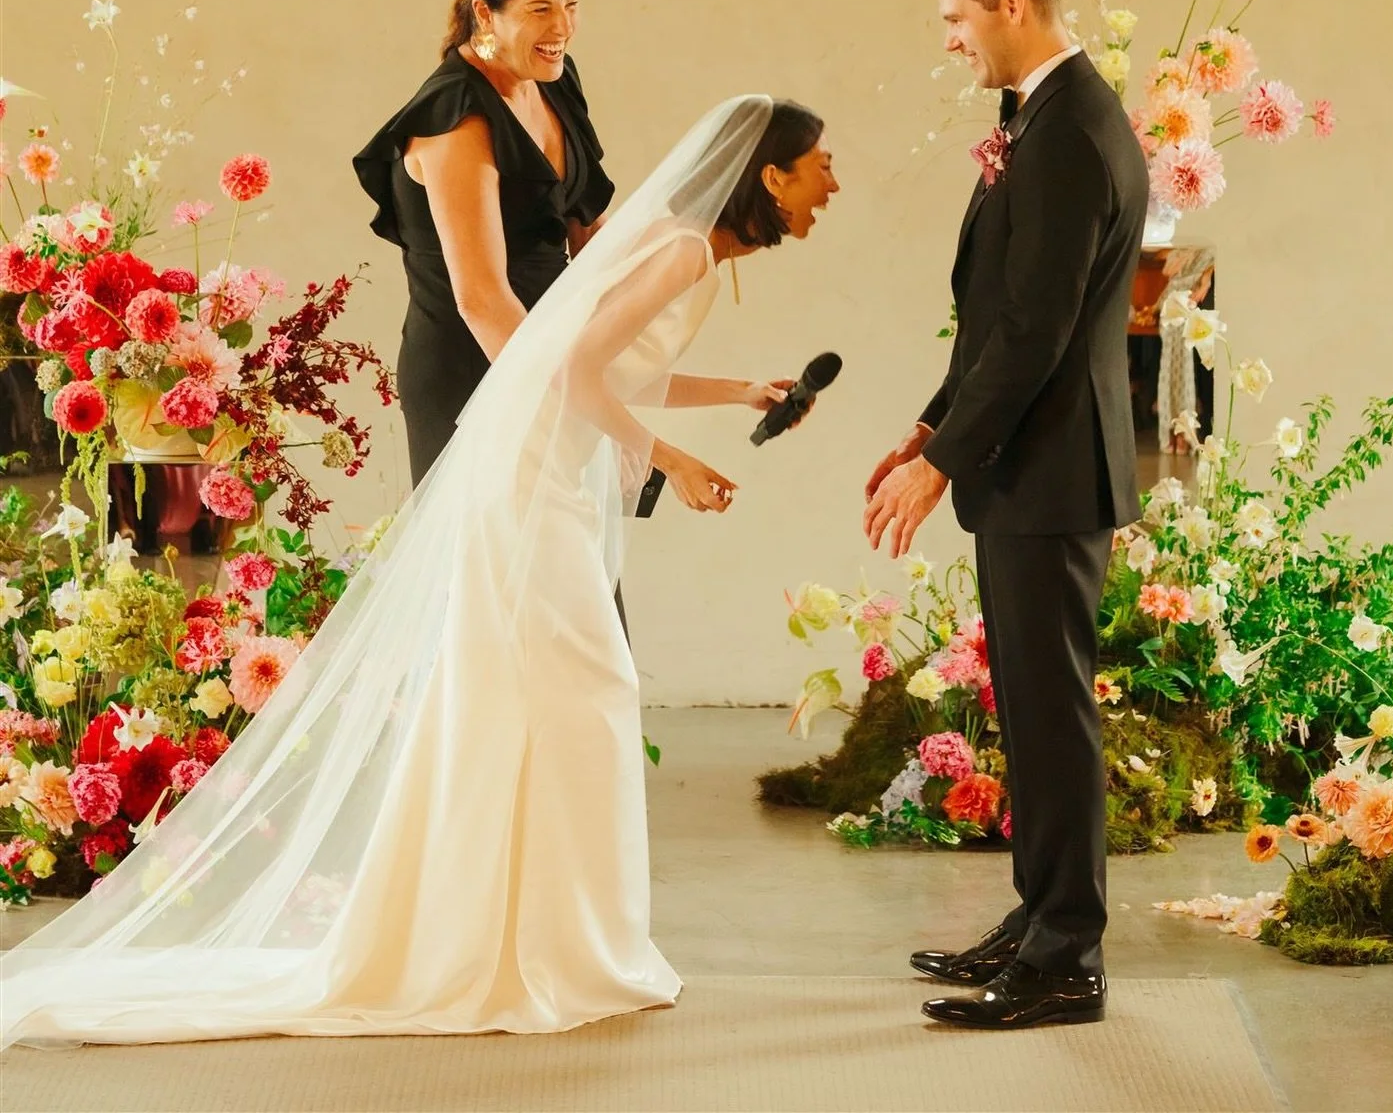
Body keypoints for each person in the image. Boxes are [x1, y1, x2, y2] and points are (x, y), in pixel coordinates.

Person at [1, 98, 838, 1046]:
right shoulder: (683, 250)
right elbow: (564, 369)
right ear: (769, 176)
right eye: (820, 164)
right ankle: (530, 950)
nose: (833, 183)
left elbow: (608, 366)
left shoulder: (689, 253)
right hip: (531, 484)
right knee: (575, 692)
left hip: (543, 474)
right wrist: (672, 458)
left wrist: (739, 392)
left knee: (537, 699)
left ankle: (541, 940)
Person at [863, 0, 1147, 1031]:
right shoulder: (1035, 119)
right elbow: (995, 317)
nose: (949, 42)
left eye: (955, 18)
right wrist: (929, 425)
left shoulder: (1072, 131)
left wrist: (942, 465)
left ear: (1012, 5)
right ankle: (1037, 922)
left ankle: (1068, 956)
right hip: (1024, 462)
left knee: (1052, 712)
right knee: (1028, 712)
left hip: (1051, 468)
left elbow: (1036, 331)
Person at [354, 0, 616, 489]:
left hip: (548, 361)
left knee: (575, 572)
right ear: (485, 12)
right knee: (495, 570)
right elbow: (482, 301)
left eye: (571, 6)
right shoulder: (457, 116)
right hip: (476, 368)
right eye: (541, 9)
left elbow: (588, 235)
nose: (563, 28)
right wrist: (566, 409)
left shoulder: (554, 79)